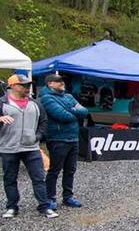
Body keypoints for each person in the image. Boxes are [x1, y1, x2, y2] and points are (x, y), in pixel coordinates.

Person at [0, 74, 57, 219]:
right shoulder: (2, 103)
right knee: (10, 179)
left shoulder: (35, 103)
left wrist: (37, 137)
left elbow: (44, 122)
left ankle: (44, 206)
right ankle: (12, 207)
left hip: (31, 147)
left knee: (38, 178)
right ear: (12, 86)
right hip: (8, 147)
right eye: (23, 85)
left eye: (28, 85)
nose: (27, 87)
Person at [39, 74, 89, 210]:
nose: (62, 83)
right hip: (57, 139)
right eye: (58, 81)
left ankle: (68, 197)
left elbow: (84, 111)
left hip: (73, 138)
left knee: (70, 170)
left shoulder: (69, 96)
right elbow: (62, 116)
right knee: (54, 170)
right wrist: (74, 111)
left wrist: (72, 111)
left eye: (62, 80)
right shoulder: (46, 98)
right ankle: (50, 198)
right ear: (49, 83)